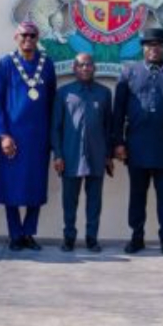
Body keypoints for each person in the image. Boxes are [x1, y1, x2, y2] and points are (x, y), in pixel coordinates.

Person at [113, 27, 163, 255]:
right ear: (143, 48)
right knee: (137, 195)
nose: (154, 49)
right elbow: (118, 111)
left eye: (158, 45)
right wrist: (118, 142)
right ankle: (137, 237)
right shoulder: (129, 72)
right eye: (149, 45)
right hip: (136, 146)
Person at [0, 21, 57, 251]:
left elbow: (52, 101)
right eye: (24, 35)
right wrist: (3, 135)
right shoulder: (6, 63)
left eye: (32, 35)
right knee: (10, 187)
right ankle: (15, 234)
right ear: (15, 37)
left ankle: (29, 233)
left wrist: (52, 136)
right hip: (13, 137)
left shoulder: (46, 64)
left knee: (35, 187)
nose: (28, 39)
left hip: (38, 138)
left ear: (38, 37)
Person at [51, 53, 114, 253]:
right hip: (70, 155)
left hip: (96, 155)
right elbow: (56, 127)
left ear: (94, 68)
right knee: (69, 201)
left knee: (94, 201)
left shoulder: (104, 93)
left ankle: (91, 239)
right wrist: (58, 155)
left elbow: (108, 127)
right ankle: (69, 238)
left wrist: (108, 155)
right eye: (81, 65)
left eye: (88, 65)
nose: (85, 68)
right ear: (74, 68)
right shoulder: (64, 93)